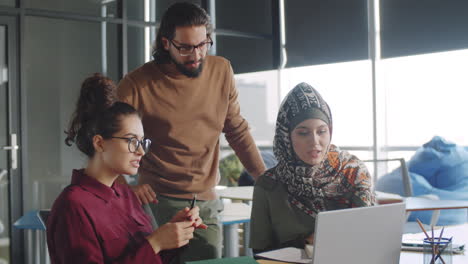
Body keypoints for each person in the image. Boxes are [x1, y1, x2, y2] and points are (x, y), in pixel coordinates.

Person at [116, 2, 266, 262]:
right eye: (185, 47)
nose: (196, 55)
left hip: (206, 201)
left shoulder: (221, 70)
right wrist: (123, 187)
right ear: (166, 43)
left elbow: (237, 131)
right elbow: (108, 140)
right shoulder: (136, 84)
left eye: (202, 44)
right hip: (157, 200)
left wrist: (265, 181)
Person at [46, 73, 207, 264]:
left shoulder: (126, 195)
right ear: (99, 143)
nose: (141, 151)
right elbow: (147, 251)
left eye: (142, 142)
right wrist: (154, 243)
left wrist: (173, 233)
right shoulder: (73, 206)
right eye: (131, 141)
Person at [250, 82, 375, 253]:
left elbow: (370, 236)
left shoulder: (353, 172)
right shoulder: (268, 185)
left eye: (321, 131)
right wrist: (306, 242)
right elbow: (260, 253)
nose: (315, 142)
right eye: (303, 133)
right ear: (286, 136)